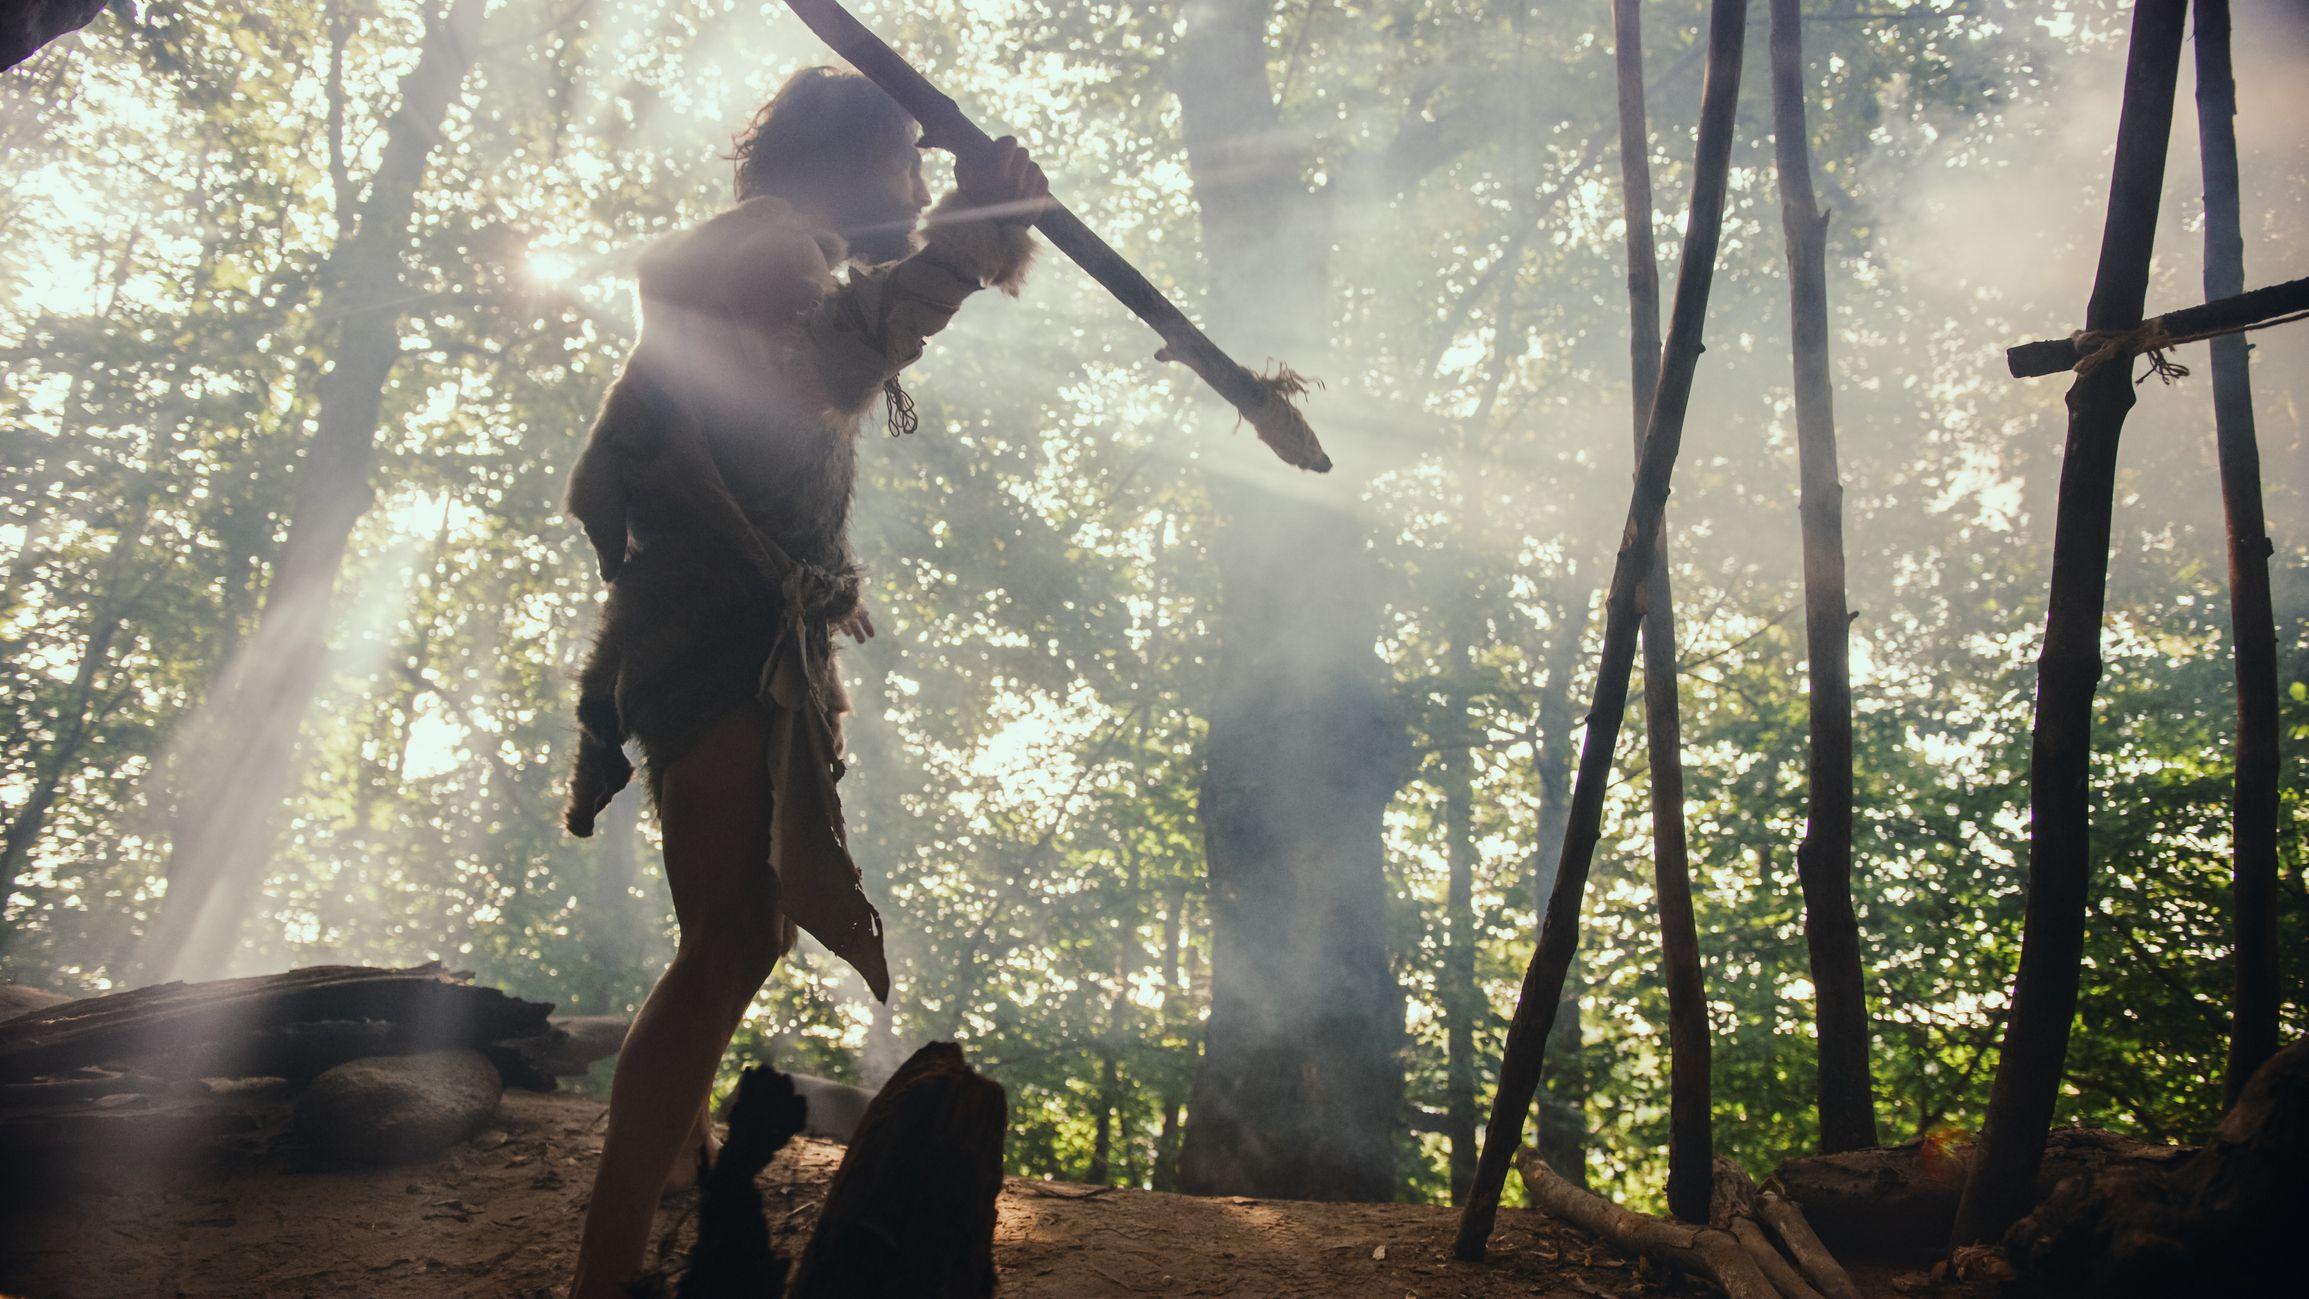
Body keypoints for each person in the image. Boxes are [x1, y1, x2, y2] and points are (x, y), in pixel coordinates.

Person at [560, 67, 1048, 1299]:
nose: (915, 189)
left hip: (718, 630)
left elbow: (835, 353)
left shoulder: (773, 248)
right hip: (716, 630)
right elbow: (826, 363)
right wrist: (966, 238)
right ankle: (602, 1276)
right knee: (731, 936)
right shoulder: (763, 245)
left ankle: (677, 1183)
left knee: (736, 927)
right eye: (909, 167)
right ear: (854, 160)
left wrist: (973, 235)